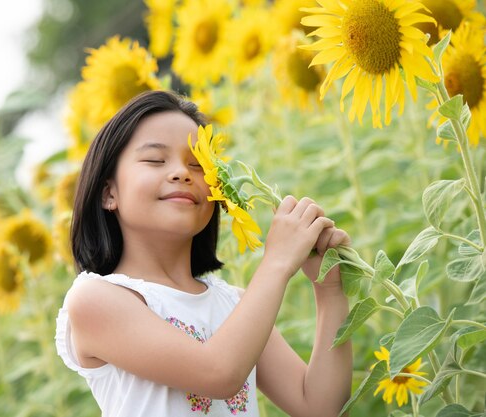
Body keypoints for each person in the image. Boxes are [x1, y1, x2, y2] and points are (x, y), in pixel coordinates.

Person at [55, 90, 353, 417]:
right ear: (109, 192)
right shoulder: (96, 298)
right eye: (155, 160)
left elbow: (319, 406)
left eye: (198, 165)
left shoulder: (234, 305)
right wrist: (278, 261)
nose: (182, 173)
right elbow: (218, 374)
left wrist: (329, 290)